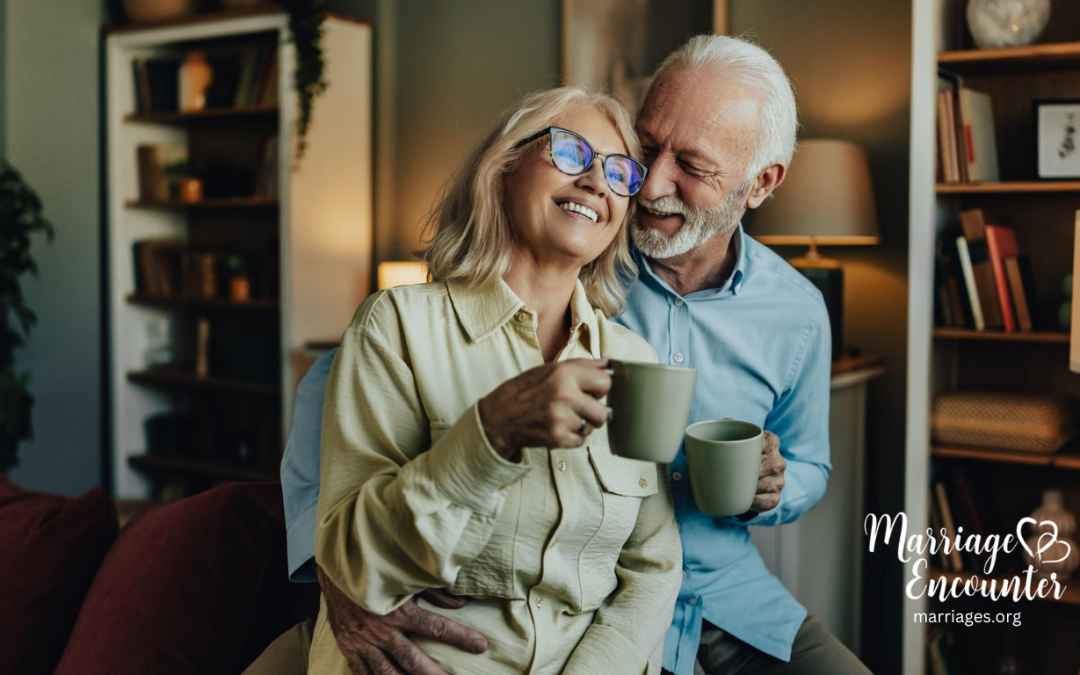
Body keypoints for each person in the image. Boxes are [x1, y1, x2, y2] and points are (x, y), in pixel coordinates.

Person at [261, 33, 874, 675]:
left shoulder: (791, 312)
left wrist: (773, 488)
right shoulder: (551, 255)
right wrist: (338, 575)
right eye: (644, 150)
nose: (647, 184)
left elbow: (802, 469)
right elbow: (343, 406)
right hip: (562, 608)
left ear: (759, 184)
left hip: (718, 595)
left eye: (689, 166)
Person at [303, 86, 683, 675]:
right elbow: (354, 563)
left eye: (618, 172)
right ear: (503, 168)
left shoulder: (635, 360)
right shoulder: (396, 326)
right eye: (571, 153)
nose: (596, 182)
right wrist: (487, 437)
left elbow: (654, 566)